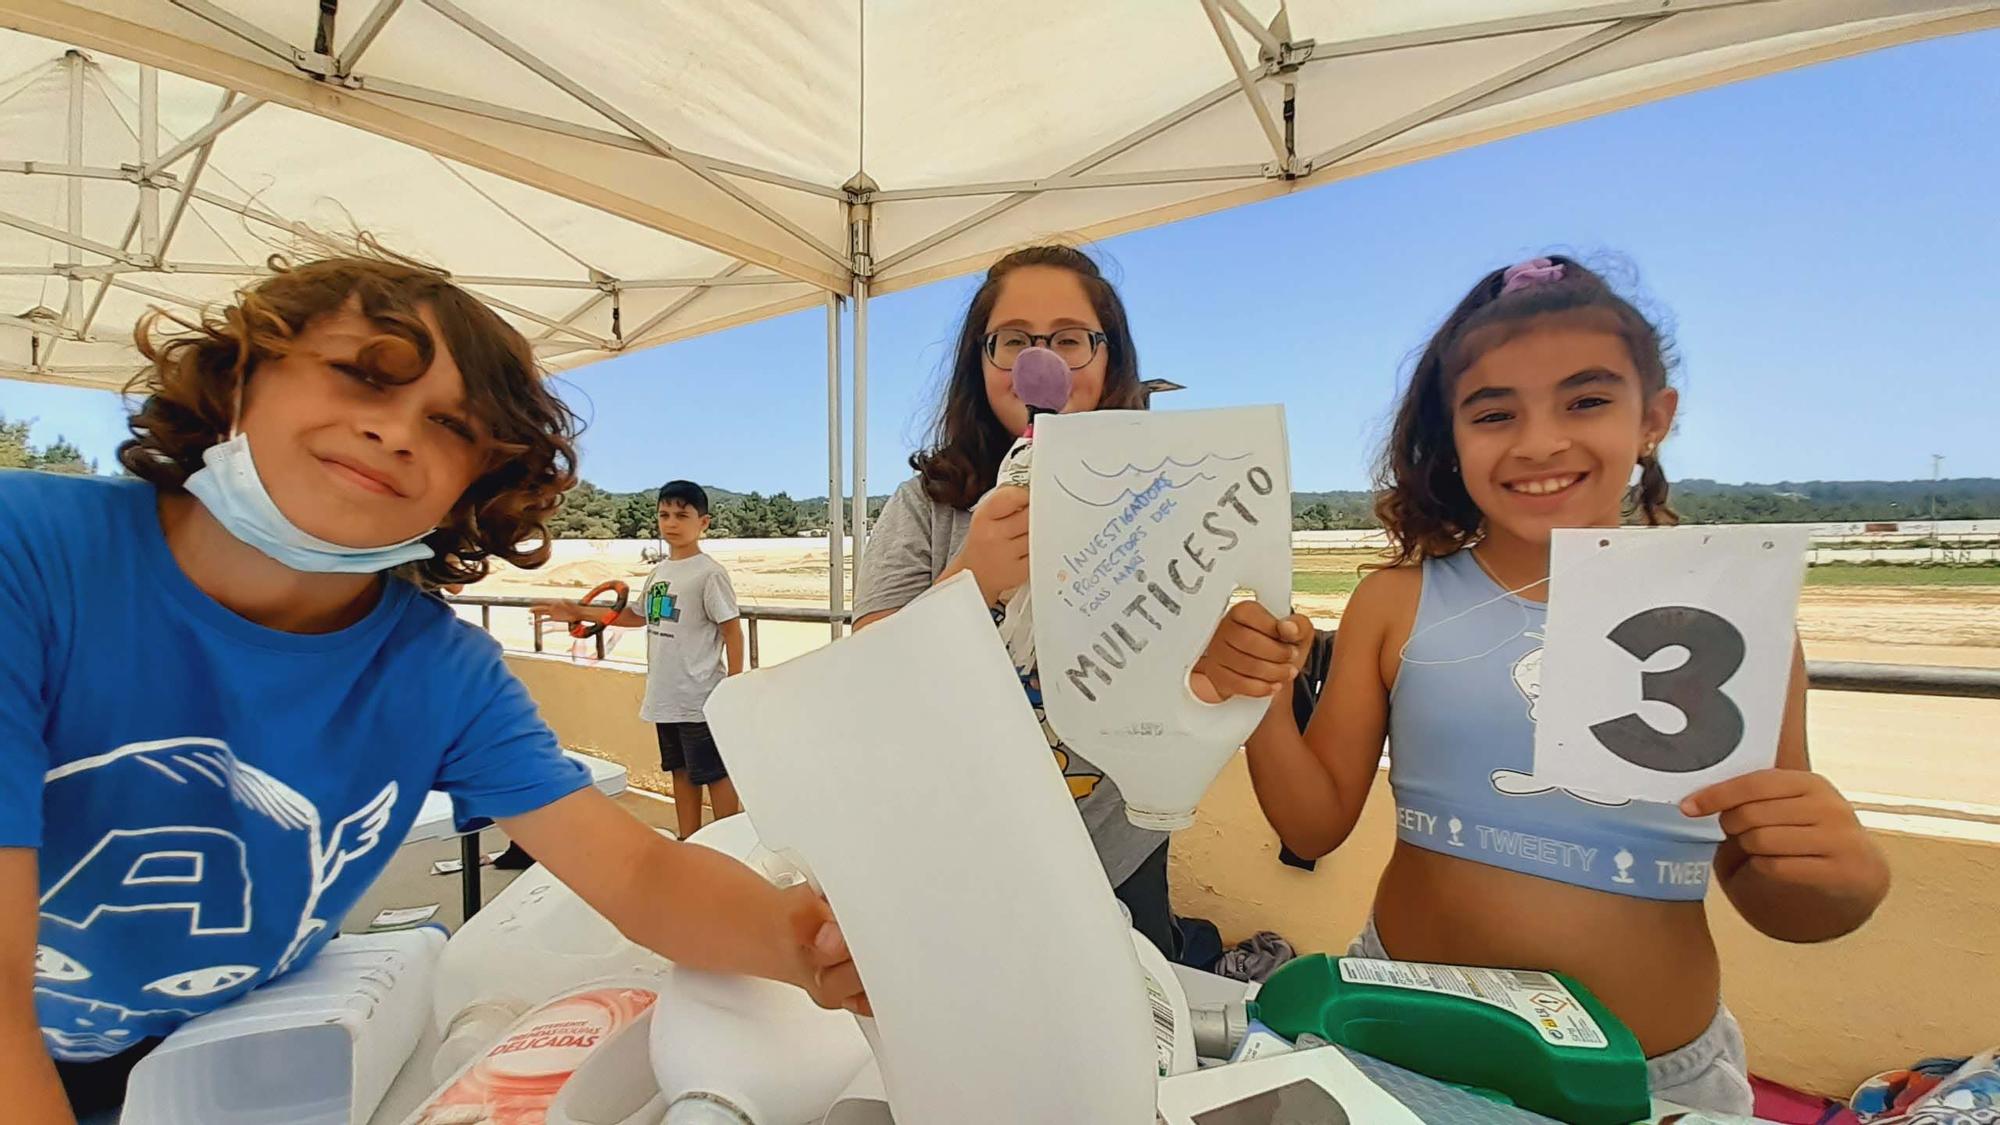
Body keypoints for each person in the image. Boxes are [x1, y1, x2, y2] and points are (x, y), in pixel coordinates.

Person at [0, 257, 862, 1123]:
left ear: (478, 483)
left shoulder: (441, 674)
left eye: (451, 424)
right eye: (362, 375)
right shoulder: (28, 554)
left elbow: (638, 871)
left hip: (233, 1054)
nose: (397, 430)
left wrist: (810, 946)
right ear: (239, 377)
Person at [1197, 256, 1889, 1114]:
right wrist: (1260, 690)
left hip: (1646, 1082)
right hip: (1398, 1040)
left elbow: (1777, 895)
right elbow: (1311, 822)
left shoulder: (1732, 627)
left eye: (1586, 400)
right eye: (1495, 413)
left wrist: (1841, 879)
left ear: (1655, 419)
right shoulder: (1396, 601)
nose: (1539, 441)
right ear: (1451, 437)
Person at [852, 244, 1194, 952]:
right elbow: (865, 680)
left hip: (1121, 838)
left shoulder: (1158, 498)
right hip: (961, 840)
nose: (1044, 358)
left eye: (1070, 338)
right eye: (1013, 340)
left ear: (1109, 358)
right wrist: (969, 580)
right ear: (982, 362)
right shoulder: (927, 506)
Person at [535, 481, 745, 842]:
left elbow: (732, 630)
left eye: (682, 515)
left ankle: (733, 845)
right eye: (664, 515)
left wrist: (735, 684)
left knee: (714, 772)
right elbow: (635, 615)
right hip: (667, 694)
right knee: (679, 770)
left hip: (701, 696)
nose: (671, 523)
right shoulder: (660, 571)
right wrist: (578, 610)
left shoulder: (709, 573)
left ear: (704, 523)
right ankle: (690, 839)